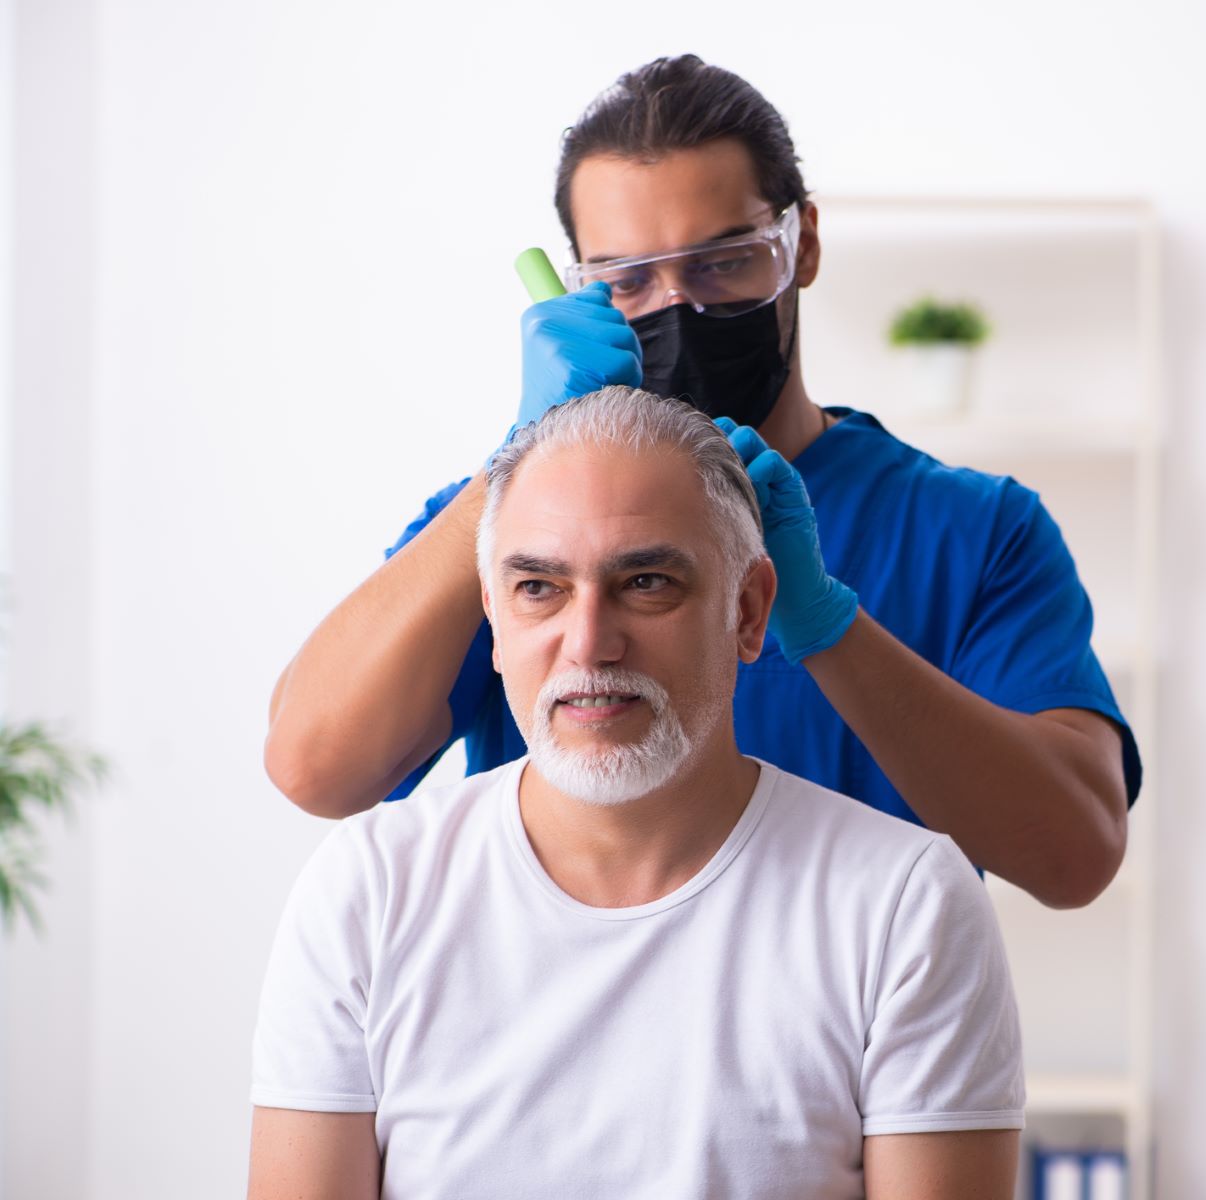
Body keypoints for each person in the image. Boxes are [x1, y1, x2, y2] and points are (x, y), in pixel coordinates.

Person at [264, 54, 1141, 909]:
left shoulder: (975, 530)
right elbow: (315, 767)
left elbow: (1073, 857)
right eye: (628, 280)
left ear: (802, 244)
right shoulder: (519, 526)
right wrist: (513, 464)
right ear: (580, 292)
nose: (677, 308)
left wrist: (828, 625)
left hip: (848, 1036)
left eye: (723, 263)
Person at [248, 387, 1025, 1199]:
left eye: (646, 581)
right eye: (539, 587)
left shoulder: (902, 905)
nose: (588, 643)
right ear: (494, 617)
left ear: (748, 610)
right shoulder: (370, 893)